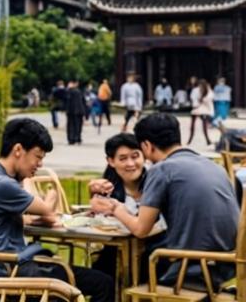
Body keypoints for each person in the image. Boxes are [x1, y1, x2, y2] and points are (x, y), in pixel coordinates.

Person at [0, 118, 114, 302]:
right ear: (18, 150)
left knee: (82, 276)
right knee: (103, 283)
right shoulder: (1, 184)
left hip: (6, 264)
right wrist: (52, 194)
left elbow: (18, 218)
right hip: (9, 270)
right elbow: (48, 210)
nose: (40, 164)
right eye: (38, 157)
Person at [91, 112, 238, 289]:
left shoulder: (162, 169)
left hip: (190, 267)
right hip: (228, 263)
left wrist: (115, 208)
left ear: (146, 145)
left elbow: (140, 229)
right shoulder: (214, 166)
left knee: (131, 276)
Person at [85, 134, 166, 279]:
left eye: (135, 156)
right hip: (116, 254)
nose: (130, 163)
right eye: (123, 159)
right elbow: (99, 220)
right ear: (111, 161)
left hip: (155, 253)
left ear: (144, 156)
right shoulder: (107, 188)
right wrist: (93, 198)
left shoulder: (156, 182)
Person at [187, 78, 213, 146]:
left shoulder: (208, 90)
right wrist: (196, 103)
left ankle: (207, 140)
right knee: (192, 125)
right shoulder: (195, 90)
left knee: (204, 125)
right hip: (196, 107)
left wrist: (203, 99)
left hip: (204, 108)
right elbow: (193, 98)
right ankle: (190, 139)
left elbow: (210, 98)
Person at [64, 80, 86, 145]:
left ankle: (71, 139)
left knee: (71, 125)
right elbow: (83, 102)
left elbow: (65, 99)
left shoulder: (69, 91)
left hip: (71, 111)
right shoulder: (79, 91)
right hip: (79, 111)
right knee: (78, 125)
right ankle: (77, 138)